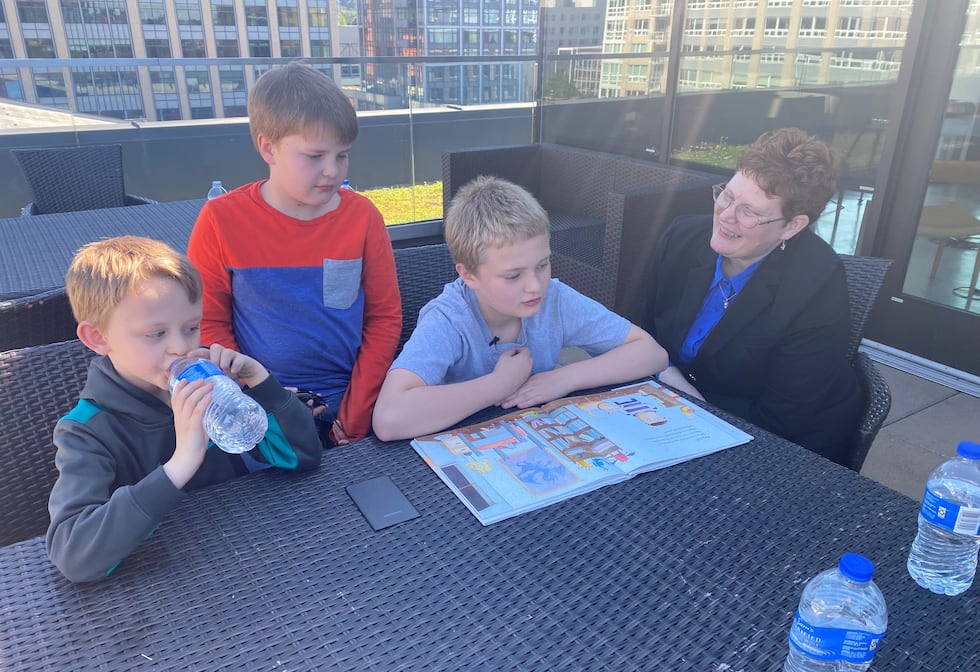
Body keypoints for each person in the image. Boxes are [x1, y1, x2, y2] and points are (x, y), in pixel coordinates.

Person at [47, 236, 322, 583]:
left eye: (192, 328)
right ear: (99, 337)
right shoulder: (87, 430)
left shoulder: (210, 385)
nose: (181, 347)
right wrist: (182, 461)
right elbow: (74, 554)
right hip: (167, 589)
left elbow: (304, 457)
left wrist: (260, 381)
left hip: (250, 551)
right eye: (156, 334)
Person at [187, 61, 401, 448]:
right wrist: (265, 398)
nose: (332, 171)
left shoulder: (363, 217)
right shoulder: (221, 220)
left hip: (351, 400)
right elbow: (209, 326)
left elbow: (384, 318)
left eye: (342, 155)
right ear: (268, 147)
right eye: (314, 156)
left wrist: (354, 416)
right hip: (259, 408)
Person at [372, 175, 668, 440]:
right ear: (468, 275)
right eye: (513, 276)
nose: (535, 286)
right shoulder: (449, 319)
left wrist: (565, 377)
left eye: (542, 265)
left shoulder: (555, 300)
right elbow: (389, 418)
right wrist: (499, 384)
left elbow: (651, 353)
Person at [642, 127, 862, 464]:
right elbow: (631, 332)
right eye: (727, 195)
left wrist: (677, 391)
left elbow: (782, 418)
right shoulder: (681, 239)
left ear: (792, 226)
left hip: (782, 448)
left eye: (750, 211)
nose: (726, 215)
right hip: (672, 408)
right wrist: (666, 380)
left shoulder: (816, 289)